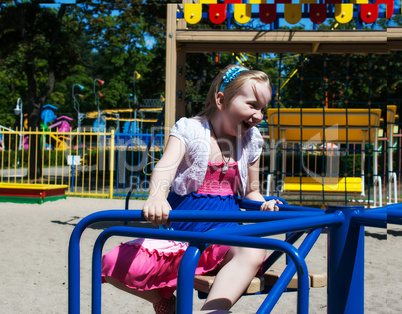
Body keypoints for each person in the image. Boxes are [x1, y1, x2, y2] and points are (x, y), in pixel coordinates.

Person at [101, 64, 282, 313]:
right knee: (112, 264)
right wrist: (156, 196)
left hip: (223, 232)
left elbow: (251, 191)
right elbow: (165, 167)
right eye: (252, 105)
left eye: (263, 108)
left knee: (253, 250)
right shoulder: (190, 130)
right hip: (181, 230)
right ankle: (162, 300)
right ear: (221, 100)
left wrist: (263, 203)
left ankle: (213, 311)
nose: (259, 115)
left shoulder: (251, 141)